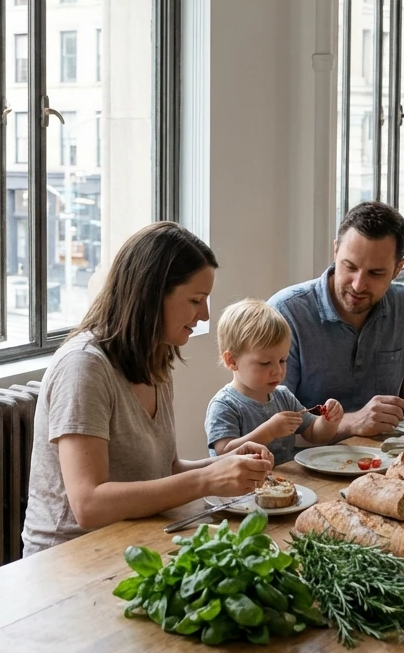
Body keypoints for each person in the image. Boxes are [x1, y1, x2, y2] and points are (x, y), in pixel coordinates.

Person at [22, 222, 274, 555]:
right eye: (196, 300)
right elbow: (89, 505)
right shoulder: (84, 367)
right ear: (151, 296)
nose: (205, 314)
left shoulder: (156, 358)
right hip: (71, 557)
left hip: (137, 540)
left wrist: (224, 463)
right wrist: (207, 480)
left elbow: (165, 472)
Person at [268, 201, 404, 438]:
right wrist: (352, 423)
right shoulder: (285, 312)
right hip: (300, 466)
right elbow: (270, 418)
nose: (358, 285)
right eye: (350, 266)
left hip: (380, 458)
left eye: (375, 273)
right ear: (336, 251)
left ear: (398, 269)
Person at [205, 298, 343, 465]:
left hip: (286, 485)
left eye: (283, 360)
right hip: (241, 489)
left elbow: (314, 434)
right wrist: (269, 431)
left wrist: (329, 421)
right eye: (265, 363)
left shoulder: (283, 396)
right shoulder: (225, 405)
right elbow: (224, 452)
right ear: (232, 361)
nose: (278, 370)